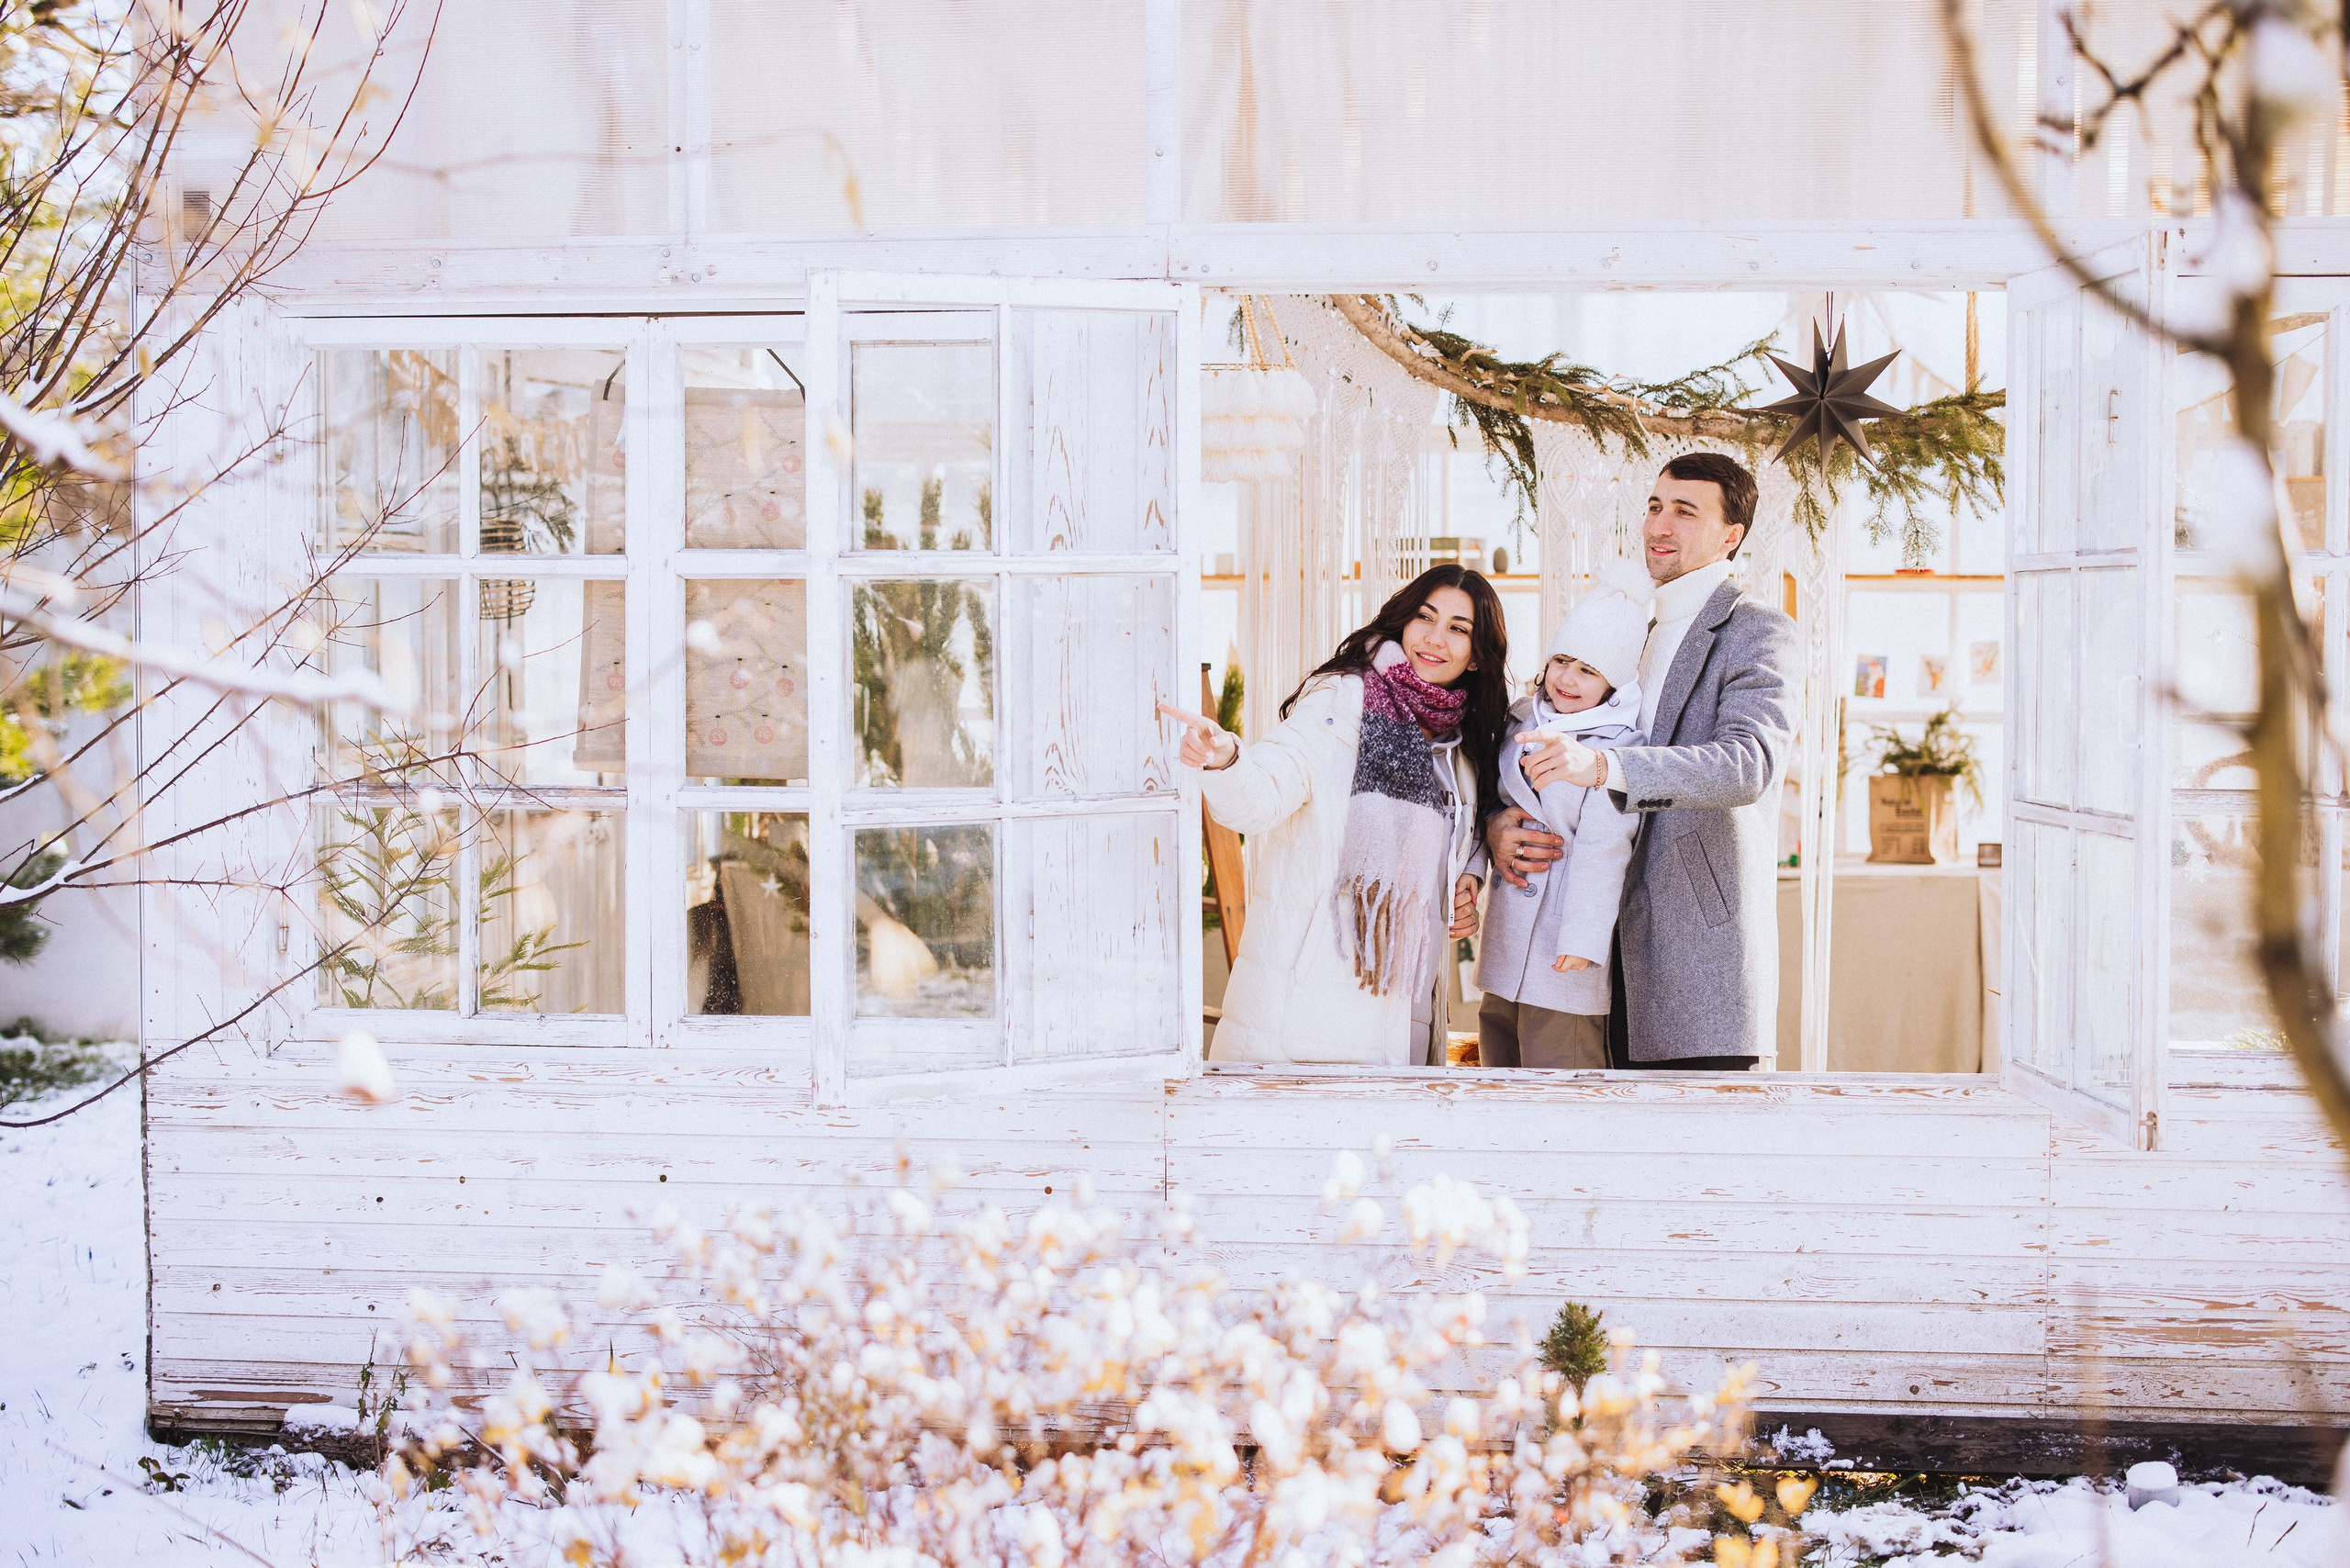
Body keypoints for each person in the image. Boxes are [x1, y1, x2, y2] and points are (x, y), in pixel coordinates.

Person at [1488, 453, 1797, 1070]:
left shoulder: (1758, 630)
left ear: (1731, 537)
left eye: (1686, 512)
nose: (1660, 525)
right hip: (1591, 959)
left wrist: (1603, 770)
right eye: (1656, 507)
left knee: (1697, 1157)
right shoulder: (1625, 628)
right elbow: (1548, 740)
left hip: (1693, 961)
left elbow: (1748, 764)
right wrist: (1498, 824)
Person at [1158, 566, 1511, 1067]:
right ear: (1402, 622)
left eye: (1458, 628)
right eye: (1425, 617)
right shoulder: (1343, 702)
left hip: (1408, 1006)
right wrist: (1225, 760)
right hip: (1313, 1006)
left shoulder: (1462, 745)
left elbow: (1463, 834)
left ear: (1477, 656)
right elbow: (1262, 796)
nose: (1435, 638)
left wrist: (1467, 878)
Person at [1474, 560, 1651, 1070]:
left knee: (1560, 1074)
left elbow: (1604, 850)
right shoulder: (1519, 720)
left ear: (1613, 684)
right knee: (1499, 1062)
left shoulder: (1616, 749)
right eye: (1562, 661)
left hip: (1563, 950)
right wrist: (1471, 869)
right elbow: (1489, 805)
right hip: (1508, 939)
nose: (1568, 680)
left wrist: (1583, 941)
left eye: (1589, 670)